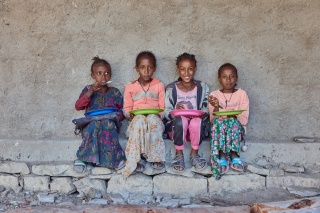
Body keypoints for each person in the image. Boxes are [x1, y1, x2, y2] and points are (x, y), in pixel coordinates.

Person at [74, 56, 126, 173]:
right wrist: (91, 91)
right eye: (99, 73)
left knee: (108, 124)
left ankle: (115, 160)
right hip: (91, 121)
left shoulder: (114, 92)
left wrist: (115, 115)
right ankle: (83, 158)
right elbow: (78, 106)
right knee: (94, 125)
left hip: (109, 121)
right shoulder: (88, 89)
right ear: (93, 76)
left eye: (107, 73)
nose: (103, 77)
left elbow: (122, 112)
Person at [121, 51, 166, 177]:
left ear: (154, 69)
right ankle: (137, 158)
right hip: (136, 120)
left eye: (150, 67)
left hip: (154, 120)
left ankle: (156, 158)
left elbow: (163, 108)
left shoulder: (159, 85)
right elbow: (127, 108)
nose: (146, 71)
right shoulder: (130, 86)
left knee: (152, 119)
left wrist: (159, 114)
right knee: (140, 119)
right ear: (137, 69)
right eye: (142, 67)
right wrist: (130, 114)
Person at [163, 53, 209, 172]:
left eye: (190, 69)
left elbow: (206, 109)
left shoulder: (202, 87)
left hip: (196, 129)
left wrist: (199, 114)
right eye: (182, 69)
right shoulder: (171, 88)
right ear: (178, 69)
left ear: (195, 69)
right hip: (177, 129)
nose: (186, 73)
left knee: (196, 121)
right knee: (181, 120)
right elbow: (165, 111)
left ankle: (194, 154)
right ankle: (179, 155)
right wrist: (176, 111)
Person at [208, 63, 249, 179]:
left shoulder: (242, 94)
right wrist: (217, 107)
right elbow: (213, 119)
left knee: (232, 122)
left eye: (232, 76)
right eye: (224, 76)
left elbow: (243, 119)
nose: (228, 80)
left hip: (237, 129)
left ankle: (234, 154)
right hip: (219, 130)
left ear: (236, 78)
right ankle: (221, 156)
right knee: (219, 122)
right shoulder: (214, 95)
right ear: (219, 79)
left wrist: (227, 114)